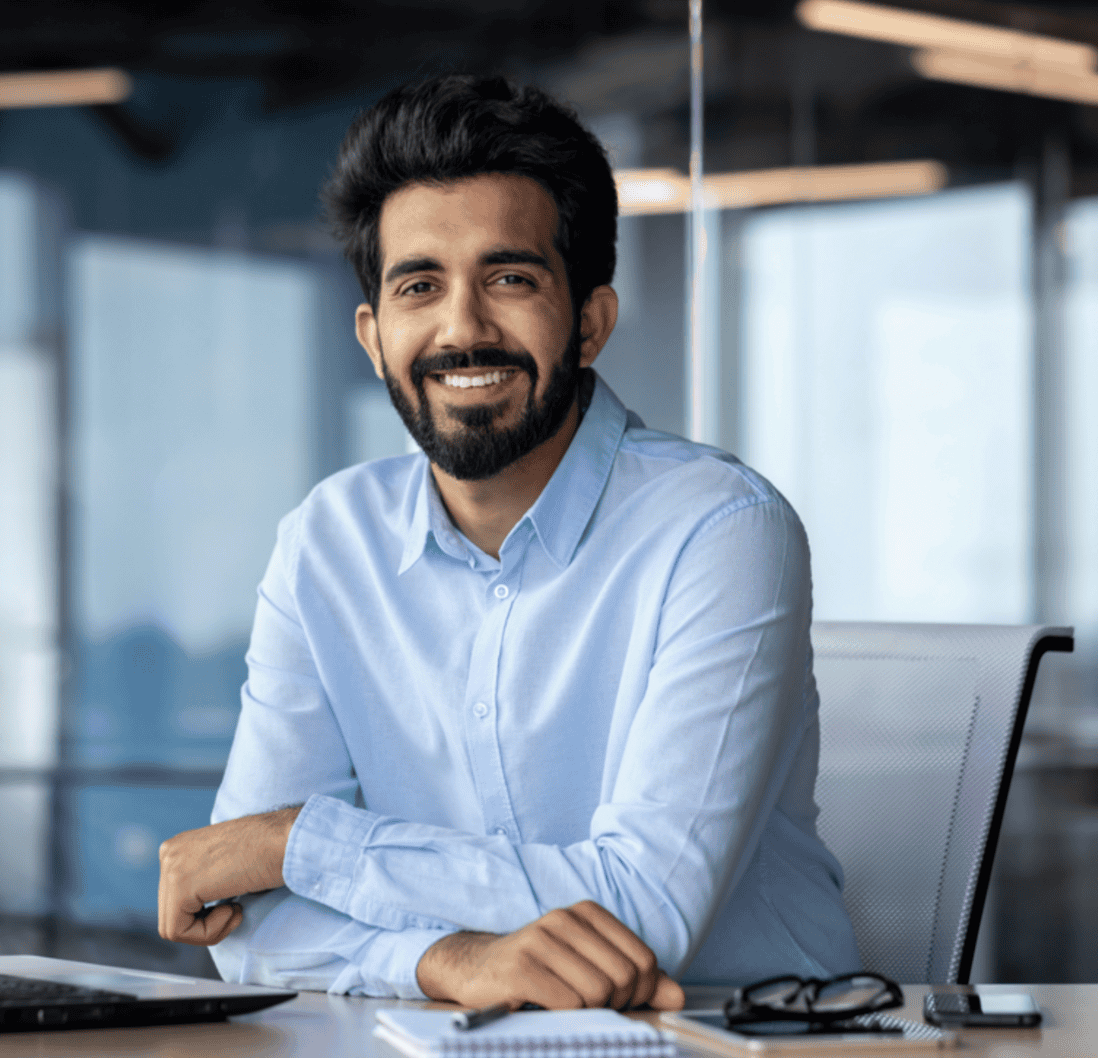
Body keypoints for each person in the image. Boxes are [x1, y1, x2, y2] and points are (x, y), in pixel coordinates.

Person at [155, 74, 860, 1010]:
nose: (462, 328)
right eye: (419, 286)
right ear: (374, 337)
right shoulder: (329, 542)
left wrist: (299, 845)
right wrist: (448, 963)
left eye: (510, 279)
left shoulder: (721, 531)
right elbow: (243, 925)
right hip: (460, 1035)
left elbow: (643, 912)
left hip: (735, 1040)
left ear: (591, 324)